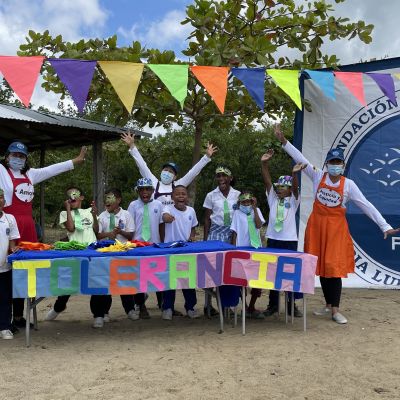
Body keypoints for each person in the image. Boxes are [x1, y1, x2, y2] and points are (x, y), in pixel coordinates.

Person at [274, 124, 399, 324]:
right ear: (326, 163)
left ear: (342, 165)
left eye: (338, 162)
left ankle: (336, 310)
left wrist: (384, 226)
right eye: (332, 161)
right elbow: (301, 159)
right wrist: (284, 142)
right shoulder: (317, 176)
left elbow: (366, 205)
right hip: (317, 227)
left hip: (335, 229)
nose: (335, 165)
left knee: (333, 267)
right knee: (322, 266)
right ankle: (327, 304)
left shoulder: (349, 185)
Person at [0, 141, 86, 329]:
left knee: (24, 272)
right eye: (14, 155)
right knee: (7, 272)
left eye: (21, 156)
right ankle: (4, 321)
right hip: (8, 227)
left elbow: (52, 169)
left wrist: (75, 161)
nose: (17, 159)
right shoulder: (1, 171)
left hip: (28, 227)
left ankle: (18, 317)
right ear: (7, 157)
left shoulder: (30, 174)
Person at [257, 149, 305, 318]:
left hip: (289, 241)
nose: (279, 190)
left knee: (290, 273)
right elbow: (267, 180)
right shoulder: (273, 198)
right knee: (272, 273)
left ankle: (292, 305)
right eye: (278, 187)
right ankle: (273, 305)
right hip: (273, 240)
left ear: (290, 189)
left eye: (283, 187)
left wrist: (295, 175)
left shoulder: (294, 200)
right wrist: (264, 163)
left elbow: (296, 188)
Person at [45, 186, 102, 328]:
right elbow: (70, 228)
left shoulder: (89, 211)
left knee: (96, 283)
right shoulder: (65, 213)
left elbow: (96, 231)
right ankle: (58, 307)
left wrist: (95, 214)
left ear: (81, 197)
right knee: (68, 284)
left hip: (91, 252)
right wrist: (68, 209)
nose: (72, 197)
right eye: (69, 195)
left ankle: (98, 315)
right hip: (74, 253)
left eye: (75, 194)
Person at [121, 132, 217, 206]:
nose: (167, 173)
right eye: (165, 170)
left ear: (175, 177)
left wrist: (206, 157)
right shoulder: (154, 182)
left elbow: (193, 172)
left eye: (170, 172)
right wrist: (132, 146)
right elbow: (142, 165)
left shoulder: (179, 185)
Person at [97, 188, 147, 321]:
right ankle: (105, 312)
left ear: (119, 200)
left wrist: (120, 232)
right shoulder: (101, 217)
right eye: (106, 198)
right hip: (106, 256)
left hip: (123, 254)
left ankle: (130, 309)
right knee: (107, 284)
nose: (107, 201)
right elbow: (97, 235)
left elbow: (130, 234)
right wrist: (109, 234)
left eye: (111, 198)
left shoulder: (126, 215)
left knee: (125, 282)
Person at [203, 165, 240, 316]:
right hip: (215, 234)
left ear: (230, 178)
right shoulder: (211, 195)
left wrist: (235, 238)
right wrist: (205, 242)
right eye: (218, 176)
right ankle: (208, 305)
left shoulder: (238, 195)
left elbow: (240, 217)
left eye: (224, 175)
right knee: (213, 271)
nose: (221, 179)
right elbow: (206, 220)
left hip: (231, 233)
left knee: (229, 270)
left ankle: (227, 305)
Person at [161, 185, 199, 320]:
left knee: (188, 281)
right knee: (170, 281)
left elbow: (194, 227)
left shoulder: (191, 211)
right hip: (171, 251)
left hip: (187, 251)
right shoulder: (167, 208)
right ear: (172, 197)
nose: (181, 196)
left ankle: (190, 307)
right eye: (177, 194)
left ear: (187, 197)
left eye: (183, 194)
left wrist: (192, 237)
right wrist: (167, 217)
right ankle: (167, 308)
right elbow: (165, 217)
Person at [128, 178, 164, 314]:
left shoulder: (158, 205)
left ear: (152, 191)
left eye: (148, 189)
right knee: (139, 276)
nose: (145, 192)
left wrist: (162, 243)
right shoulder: (133, 205)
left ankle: (162, 302)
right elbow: (130, 226)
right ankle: (140, 305)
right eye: (141, 189)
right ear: (137, 191)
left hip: (155, 244)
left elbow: (161, 225)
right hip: (138, 245)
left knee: (158, 274)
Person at [230, 190, 266, 317]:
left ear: (252, 201)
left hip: (255, 250)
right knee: (242, 280)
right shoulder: (237, 213)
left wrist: (255, 209)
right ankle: (244, 306)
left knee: (258, 279)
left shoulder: (257, 211)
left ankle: (252, 306)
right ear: (240, 202)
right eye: (243, 201)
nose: (246, 204)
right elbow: (234, 232)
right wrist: (233, 250)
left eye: (248, 201)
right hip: (241, 250)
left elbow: (258, 225)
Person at [0, 188, 20, 340]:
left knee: (5, 298)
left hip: (4, 267)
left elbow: (12, 241)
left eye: (1, 197)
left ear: (4, 201)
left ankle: (5, 327)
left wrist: (13, 249)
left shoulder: (10, 219)